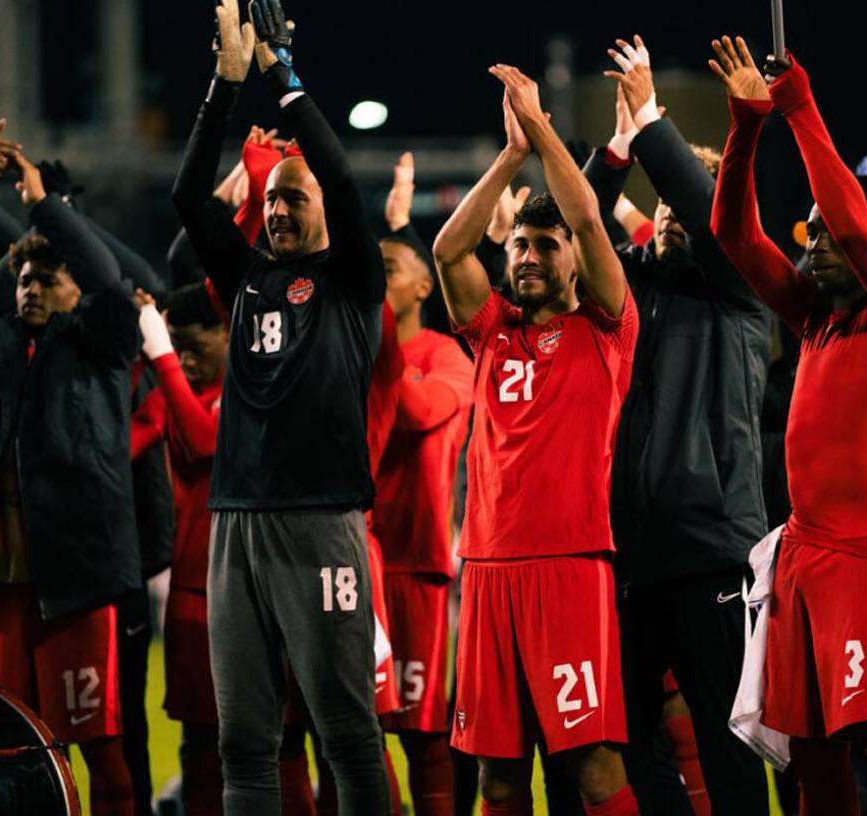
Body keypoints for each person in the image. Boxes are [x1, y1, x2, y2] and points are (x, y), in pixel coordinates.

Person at [709, 38, 867, 815]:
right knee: (812, 762)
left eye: (826, 232)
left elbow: (851, 223)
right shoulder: (815, 321)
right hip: (805, 554)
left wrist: (799, 107)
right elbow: (735, 237)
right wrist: (746, 125)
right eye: (807, 232)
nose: (815, 242)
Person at [171, 0, 388, 811]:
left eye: (293, 200)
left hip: (321, 520)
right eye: (271, 201)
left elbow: (336, 171)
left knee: (347, 734)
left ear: (325, 210)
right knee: (244, 742)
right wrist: (224, 88)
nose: (277, 210)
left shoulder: (352, 281)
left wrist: (283, 77)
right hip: (236, 524)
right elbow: (190, 197)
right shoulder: (247, 278)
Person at [0, 122, 141, 816]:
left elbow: (107, 278)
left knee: (99, 747)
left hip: (74, 583)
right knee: (6, 745)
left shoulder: (103, 345)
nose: (31, 290)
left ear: (71, 289)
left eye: (48, 279)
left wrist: (46, 209)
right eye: (23, 278)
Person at [432, 62, 640, 816]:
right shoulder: (492, 334)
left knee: (593, 769)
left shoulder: (607, 330)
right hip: (485, 571)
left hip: (570, 569)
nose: (526, 256)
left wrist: (541, 125)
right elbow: (450, 254)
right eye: (519, 244)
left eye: (544, 246)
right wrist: (510, 154)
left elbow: (589, 219)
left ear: (574, 260)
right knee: (498, 780)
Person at [586, 34, 770, 815]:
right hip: (628, 556)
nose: (669, 216)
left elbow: (712, 214)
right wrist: (619, 150)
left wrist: (655, 119)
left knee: (729, 749)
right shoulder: (632, 292)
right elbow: (574, 227)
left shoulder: (741, 290)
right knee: (627, 743)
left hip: (711, 553)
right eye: (659, 206)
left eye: (680, 203)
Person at [374, 151, 476, 816]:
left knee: (422, 731)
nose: (374, 281)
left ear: (421, 289)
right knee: (352, 728)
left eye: (387, 271)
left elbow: (413, 412)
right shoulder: (355, 350)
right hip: (351, 558)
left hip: (416, 566)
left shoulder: (448, 356)